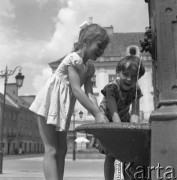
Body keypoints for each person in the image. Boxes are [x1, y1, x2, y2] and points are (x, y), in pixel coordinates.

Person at [29, 23, 110, 180]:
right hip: (50, 102)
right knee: (51, 149)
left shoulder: (89, 68)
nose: (101, 52)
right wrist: (95, 113)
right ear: (86, 41)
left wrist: (98, 113)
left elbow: (89, 93)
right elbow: (76, 90)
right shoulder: (73, 59)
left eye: (103, 48)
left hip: (63, 106)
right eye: (99, 46)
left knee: (62, 149)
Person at [93, 48, 145, 180]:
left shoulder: (136, 90)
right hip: (108, 118)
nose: (129, 79)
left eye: (134, 76)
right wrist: (120, 130)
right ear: (118, 73)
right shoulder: (112, 87)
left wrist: (134, 129)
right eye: (125, 74)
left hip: (123, 117)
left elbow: (134, 112)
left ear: (138, 77)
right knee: (111, 155)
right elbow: (113, 111)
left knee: (127, 155)